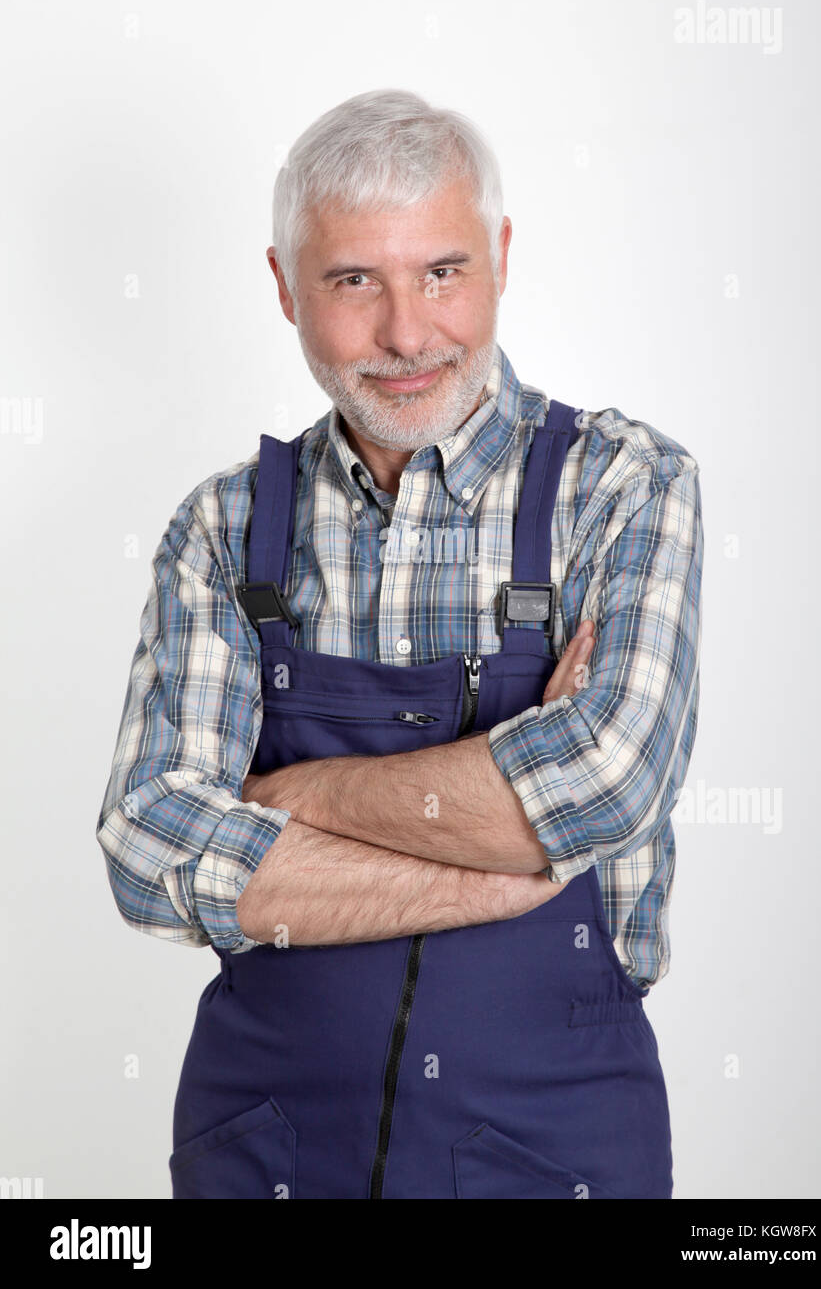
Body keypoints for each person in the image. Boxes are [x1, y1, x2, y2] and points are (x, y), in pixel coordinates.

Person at [97, 88, 703, 1200]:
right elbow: (148, 846)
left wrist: (298, 795)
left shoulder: (621, 486)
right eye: (351, 282)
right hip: (263, 1148)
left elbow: (598, 786)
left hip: (552, 1147)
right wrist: (500, 878)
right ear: (284, 287)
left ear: (501, 256)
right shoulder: (222, 529)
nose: (408, 333)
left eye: (440, 272)